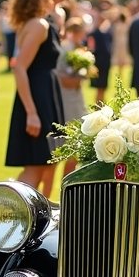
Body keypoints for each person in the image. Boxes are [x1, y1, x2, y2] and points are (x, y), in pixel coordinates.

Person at [5, 0, 64, 195]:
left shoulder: (31, 23)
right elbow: (19, 67)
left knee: (43, 163)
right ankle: (12, 212)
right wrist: (31, 112)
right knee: (35, 165)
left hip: (43, 94)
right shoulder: (38, 25)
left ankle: (35, 216)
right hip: (38, 98)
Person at [56, 16, 90, 178]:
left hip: (76, 98)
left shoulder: (78, 49)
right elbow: (61, 77)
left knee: (76, 144)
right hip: (66, 99)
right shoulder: (65, 50)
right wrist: (78, 77)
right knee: (70, 144)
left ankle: (69, 180)